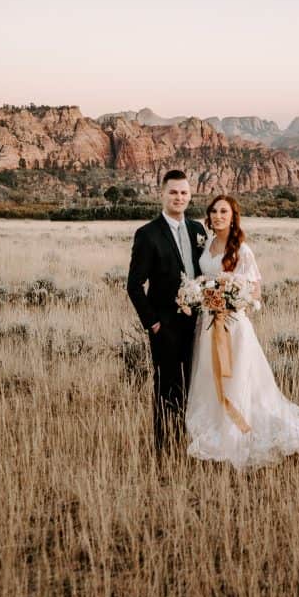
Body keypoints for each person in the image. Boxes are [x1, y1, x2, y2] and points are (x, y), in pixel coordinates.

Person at [185, 195, 299, 475]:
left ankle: (235, 433)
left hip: (234, 327)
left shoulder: (242, 250)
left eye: (224, 211)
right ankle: (212, 429)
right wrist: (200, 296)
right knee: (209, 378)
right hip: (208, 325)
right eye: (214, 211)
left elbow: (255, 291)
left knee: (237, 382)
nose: (218, 215)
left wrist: (231, 299)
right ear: (208, 216)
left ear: (233, 216)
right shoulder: (206, 245)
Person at [127, 170, 207, 449]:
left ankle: (191, 441)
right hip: (165, 326)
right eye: (173, 192)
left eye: (184, 192)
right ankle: (165, 446)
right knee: (166, 387)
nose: (179, 197)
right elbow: (134, 286)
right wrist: (153, 324)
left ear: (190, 195)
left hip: (198, 324)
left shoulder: (198, 230)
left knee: (194, 385)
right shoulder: (147, 234)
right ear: (162, 194)